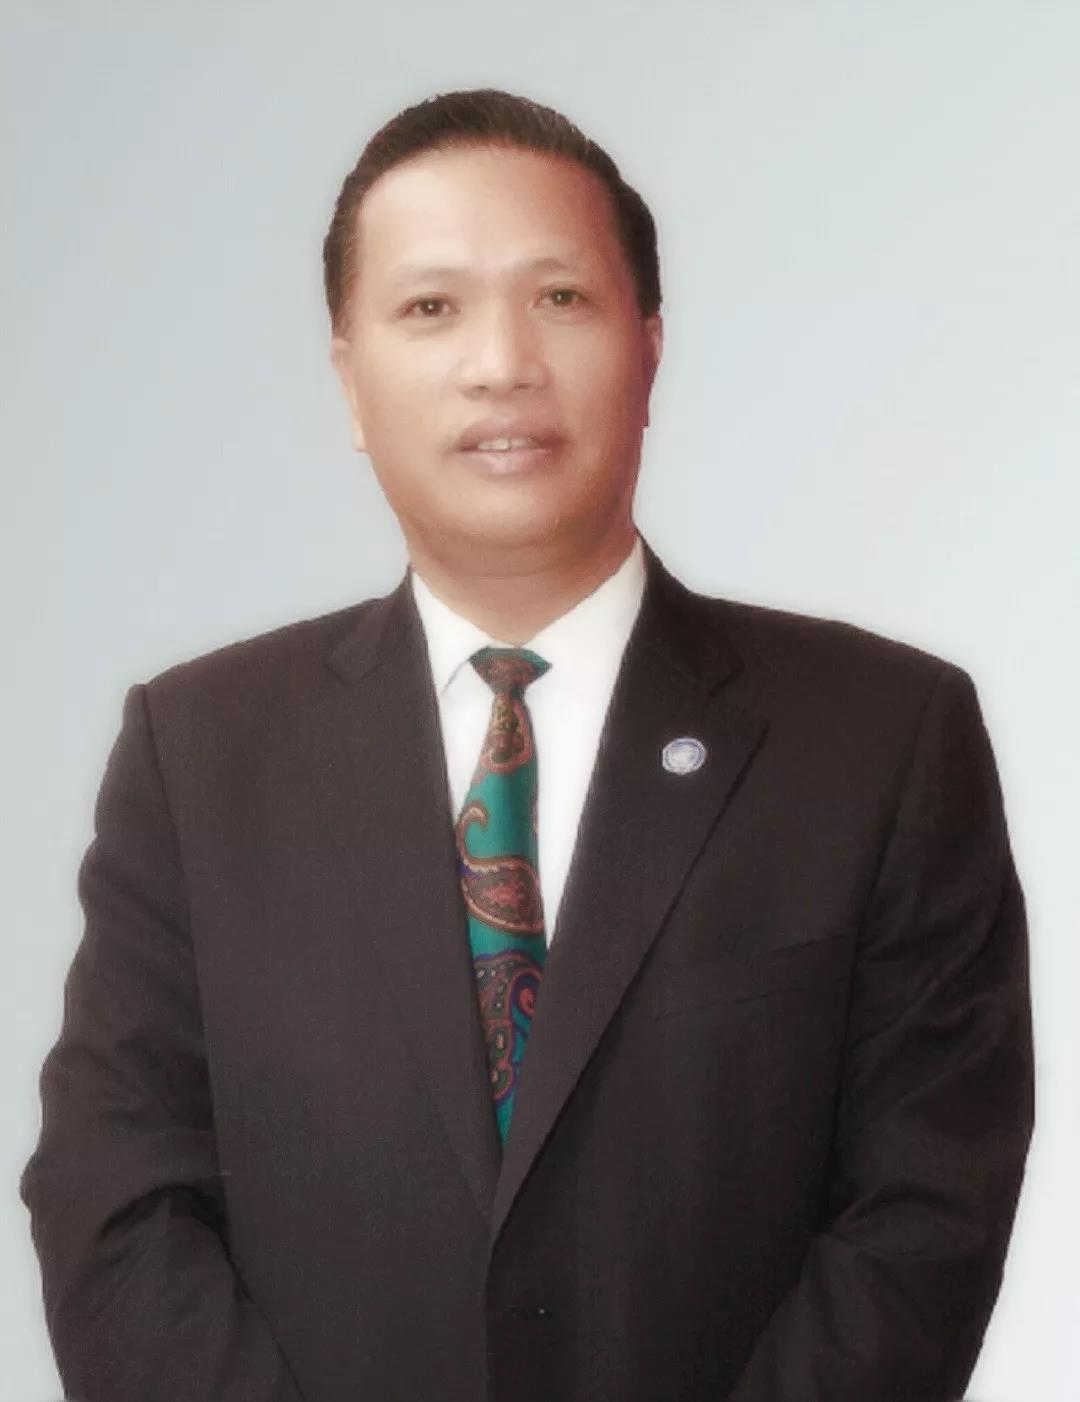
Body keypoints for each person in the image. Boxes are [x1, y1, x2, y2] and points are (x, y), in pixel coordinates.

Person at [21, 87, 1034, 1402]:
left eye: (560, 297)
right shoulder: (199, 753)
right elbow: (113, 1194)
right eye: (430, 307)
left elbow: (926, 1206)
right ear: (349, 377)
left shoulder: (881, 739)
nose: (501, 362)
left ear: (650, 348)